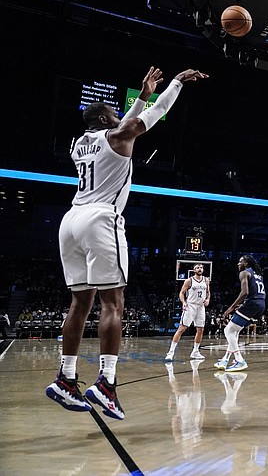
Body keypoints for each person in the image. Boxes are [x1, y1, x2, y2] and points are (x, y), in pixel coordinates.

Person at [45, 67, 208, 419]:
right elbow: (155, 115)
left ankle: (66, 378)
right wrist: (176, 83)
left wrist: (144, 93)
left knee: (79, 304)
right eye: (115, 113)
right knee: (113, 304)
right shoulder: (118, 135)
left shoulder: (79, 145)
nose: (123, 114)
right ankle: (106, 382)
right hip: (100, 219)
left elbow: (121, 125)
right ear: (105, 118)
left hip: (70, 221)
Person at [214, 256, 266, 372]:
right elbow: (255, 293)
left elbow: (245, 292)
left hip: (252, 304)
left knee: (228, 331)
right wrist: (244, 305)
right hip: (260, 304)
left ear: (246, 263)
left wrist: (231, 308)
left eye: (240, 262)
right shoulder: (257, 274)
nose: (238, 264)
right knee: (234, 331)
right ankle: (225, 359)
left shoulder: (244, 273)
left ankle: (239, 360)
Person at [166, 263, 211, 361]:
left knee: (200, 329)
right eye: (197, 268)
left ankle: (195, 351)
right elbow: (181, 293)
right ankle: (171, 352)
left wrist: (208, 299)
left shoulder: (206, 280)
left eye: (201, 267)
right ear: (194, 270)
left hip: (201, 307)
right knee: (182, 328)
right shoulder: (189, 281)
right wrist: (183, 302)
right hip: (191, 306)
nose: (199, 269)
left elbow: (208, 292)